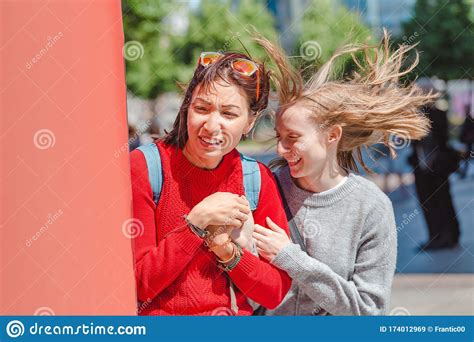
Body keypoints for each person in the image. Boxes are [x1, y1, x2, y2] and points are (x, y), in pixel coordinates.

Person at [251, 32, 434, 315]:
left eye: (292, 137)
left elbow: (369, 311)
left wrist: (290, 258)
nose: (280, 148)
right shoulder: (264, 188)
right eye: (278, 136)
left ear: (332, 135)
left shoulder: (371, 207)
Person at [129, 51, 291, 315]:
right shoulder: (146, 167)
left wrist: (227, 252)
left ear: (250, 121)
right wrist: (196, 223)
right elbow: (139, 285)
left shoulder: (256, 179)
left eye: (229, 114)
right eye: (201, 108)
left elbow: (274, 293)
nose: (212, 125)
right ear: (187, 106)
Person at [409, 78, 461, 250]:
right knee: (431, 203)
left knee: (440, 201)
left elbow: (435, 138)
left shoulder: (434, 113)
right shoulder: (420, 113)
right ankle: (439, 236)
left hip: (435, 167)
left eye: (417, 91)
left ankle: (446, 236)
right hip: (423, 167)